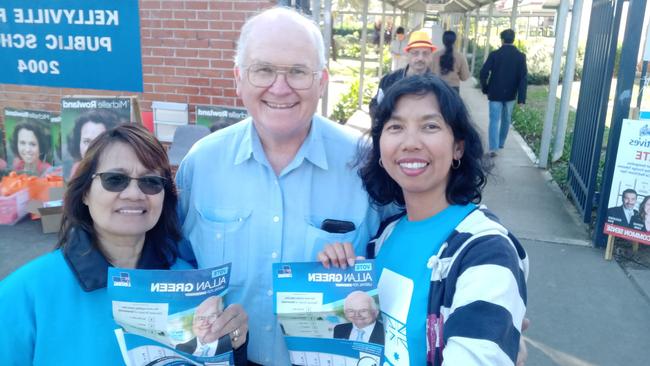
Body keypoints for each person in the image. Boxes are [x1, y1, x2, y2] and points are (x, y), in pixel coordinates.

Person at [175, 7, 381, 365]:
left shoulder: (365, 164)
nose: (280, 87)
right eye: (264, 70)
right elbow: (176, 259)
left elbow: (397, 263)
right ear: (239, 78)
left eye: (298, 71)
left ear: (322, 80)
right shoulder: (202, 164)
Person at [318, 75, 528, 365]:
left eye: (430, 126)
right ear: (380, 147)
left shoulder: (486, 251)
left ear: (458, 147)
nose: (410, 143)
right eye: (395, 127)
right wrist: (339, 279)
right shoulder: (384, 237)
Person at [0, 125, 194, 364]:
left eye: (151, 182)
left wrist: (232, 343)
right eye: (115, 179)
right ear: (84, 193)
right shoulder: (21, 295)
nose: (134, 194)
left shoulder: (190, 285)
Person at [480, 29, 528, 157]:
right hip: (511, 94)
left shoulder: (494, 54)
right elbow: (523, 78)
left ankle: (493, 148)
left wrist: (485, 88)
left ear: (502, 40)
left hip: (495, 93)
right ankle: (501, 143)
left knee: (494, 120)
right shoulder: (520, 56)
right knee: (506, 120)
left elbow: (483, 73)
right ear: (513, 39)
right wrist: (521, 99)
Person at [369, 29, 436, 118]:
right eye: (415, 53)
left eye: (425, 53)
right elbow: (375, 106)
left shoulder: (437, 86)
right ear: (407, 54)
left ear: (431, 56)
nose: (420, 58)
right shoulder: (389, 80)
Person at [67, 109, 119, 178]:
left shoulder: (118, 172)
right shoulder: (77, 168)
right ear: (78, 143)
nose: (91, 147)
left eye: (99, 141)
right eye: (86, 141)